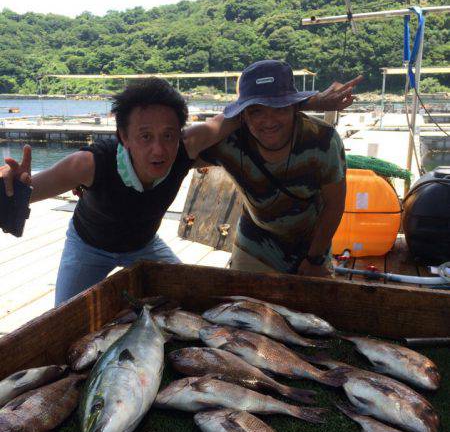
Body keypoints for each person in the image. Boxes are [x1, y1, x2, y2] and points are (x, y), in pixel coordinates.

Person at [1, 73, 358, 304]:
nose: (159, 149)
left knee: (192, 301)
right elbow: (32, 189)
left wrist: (309, 103)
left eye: (168, 135)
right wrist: (11, 185)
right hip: (89, 247)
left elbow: (234, 117)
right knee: (65, 319)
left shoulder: (187, 146)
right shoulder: (90, 163)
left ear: (180, 134)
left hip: (144, 246)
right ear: (123, 136)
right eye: (145, 137)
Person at [197, 60, 355, 277]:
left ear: (294, 107)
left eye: (279, 108)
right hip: (254, 244)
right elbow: (175, 155)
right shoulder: (229, 143)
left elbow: (334, 205)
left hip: (311, 246)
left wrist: (315, 258)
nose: (268, 121)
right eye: (256, 111)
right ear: (242, 115)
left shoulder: (322, 140)